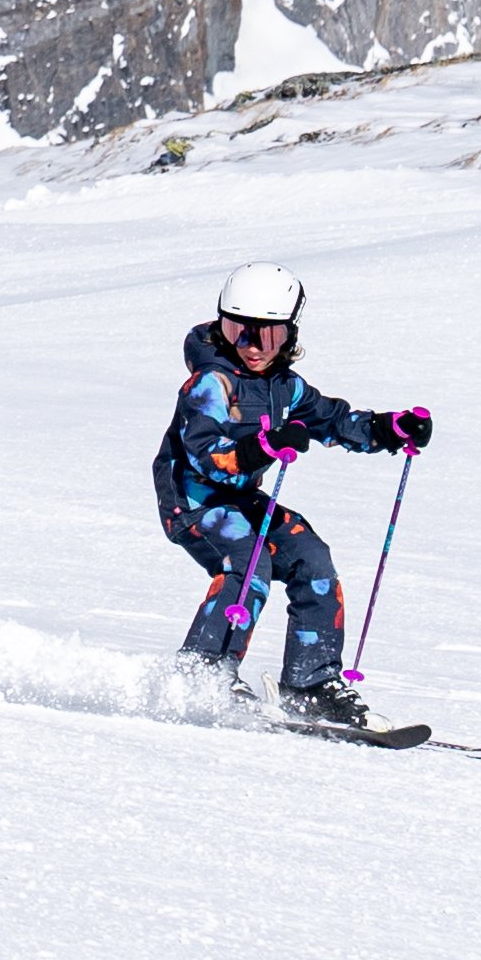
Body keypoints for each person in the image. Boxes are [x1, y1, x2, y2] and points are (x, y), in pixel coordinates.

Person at [154, 260, 430, 734]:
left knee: (312, 559)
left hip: (240, 502)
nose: (254, 345)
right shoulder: (210, 383)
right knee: (250, 561)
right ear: (222, 327)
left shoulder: (286, 387)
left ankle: (311, 684)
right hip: (194, 501)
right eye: (239, 329)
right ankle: (203, 672)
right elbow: (203, 454)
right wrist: (261, 446)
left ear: (289, 333)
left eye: (270, 334)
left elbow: (332, 420)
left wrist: (386, 429)